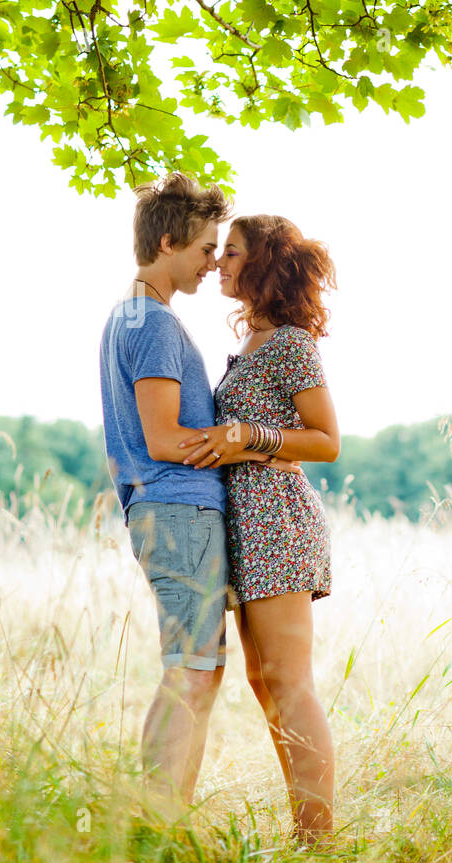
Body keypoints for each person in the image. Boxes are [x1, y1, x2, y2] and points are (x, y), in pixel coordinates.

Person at [98, 173, 296, 813]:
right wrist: (239, 439)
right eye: (207, 248)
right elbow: (162, 437)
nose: (214, 262)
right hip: (178, 506)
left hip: (170, 507)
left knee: (199, 670)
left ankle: (166, 818)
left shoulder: (131, 315)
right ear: (166, 241)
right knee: (191, 670)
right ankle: (153, 821)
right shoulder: (152, 324)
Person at [177, 214, 340, 845]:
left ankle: (318, 841)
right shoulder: (253, 345)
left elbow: (326, 442)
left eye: (233, 253)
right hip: (246, 524)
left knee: (290, 680)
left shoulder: (293, 344)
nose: (220, 262)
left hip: (277, 520)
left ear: (264, 263)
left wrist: (249, 436)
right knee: (263, 679)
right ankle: (308, 831)